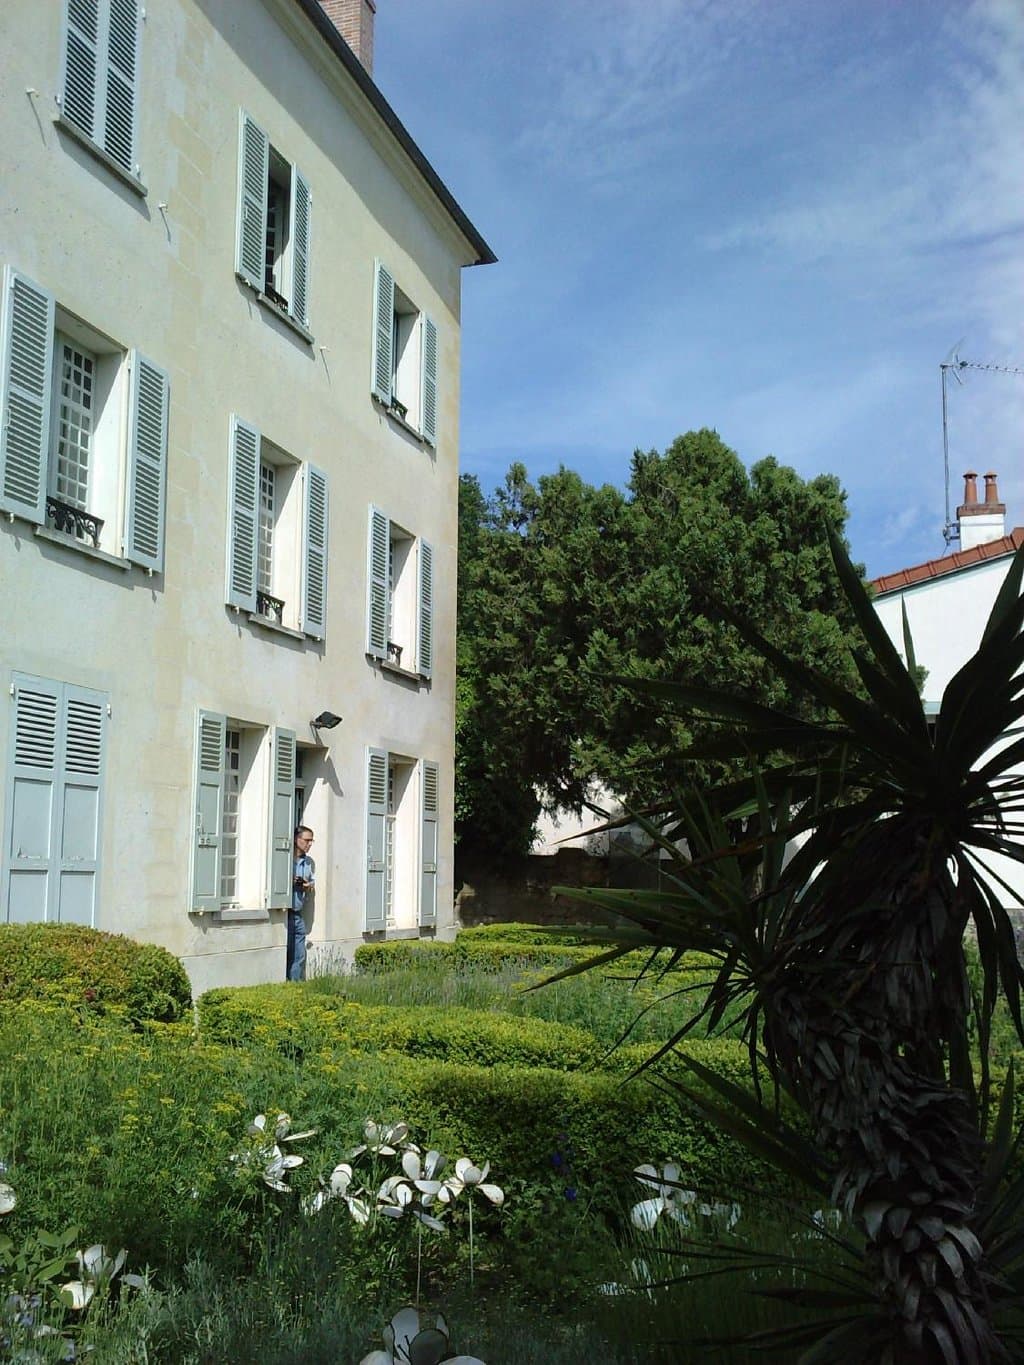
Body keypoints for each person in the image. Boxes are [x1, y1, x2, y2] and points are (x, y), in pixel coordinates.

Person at [287, 825, 315, 981]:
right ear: (297, 839)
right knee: (287, 952)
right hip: (285, 913)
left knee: (299, 955)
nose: (309, 844)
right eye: (307, 840)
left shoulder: (308, 863)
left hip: (298, 914)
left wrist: (306, 885)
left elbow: (311, 884)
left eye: (312, 841)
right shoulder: (285, 858)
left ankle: (295, 986)